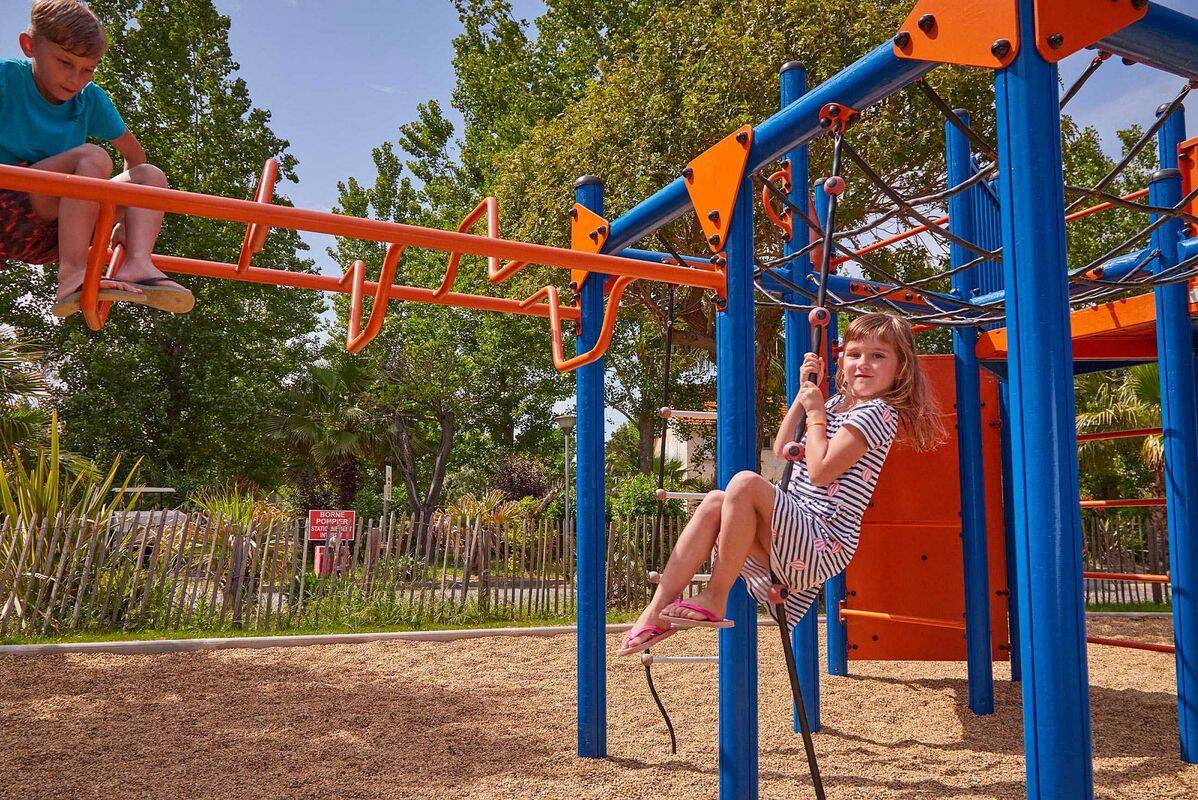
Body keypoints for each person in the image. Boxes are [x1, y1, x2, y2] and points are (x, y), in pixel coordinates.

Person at [619, 312, 944, 655]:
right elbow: (782, 447)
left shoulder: (878, 412)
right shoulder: (836, 404)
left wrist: (817, 413)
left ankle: (715, 597)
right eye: (855, 354)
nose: (863, 363)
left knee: (744, 482)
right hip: (795, 535)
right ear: (842, 359)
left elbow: (820, 471)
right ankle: (654, 613)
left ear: (901, 368)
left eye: (878, 356)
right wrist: (805, 394)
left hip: (823, 540)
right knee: (716, 499)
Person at [0, 0, 193, 318]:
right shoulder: (7, 79)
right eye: (64, 62)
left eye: (87, 69)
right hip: (8, 206)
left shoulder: (90, 99)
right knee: (93, 157)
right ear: (29, 45)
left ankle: (137, 263)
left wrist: (127, 222)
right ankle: (73, 275)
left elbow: (135, 157)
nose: (75, 79)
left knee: (149, 177)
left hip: (54, 234)